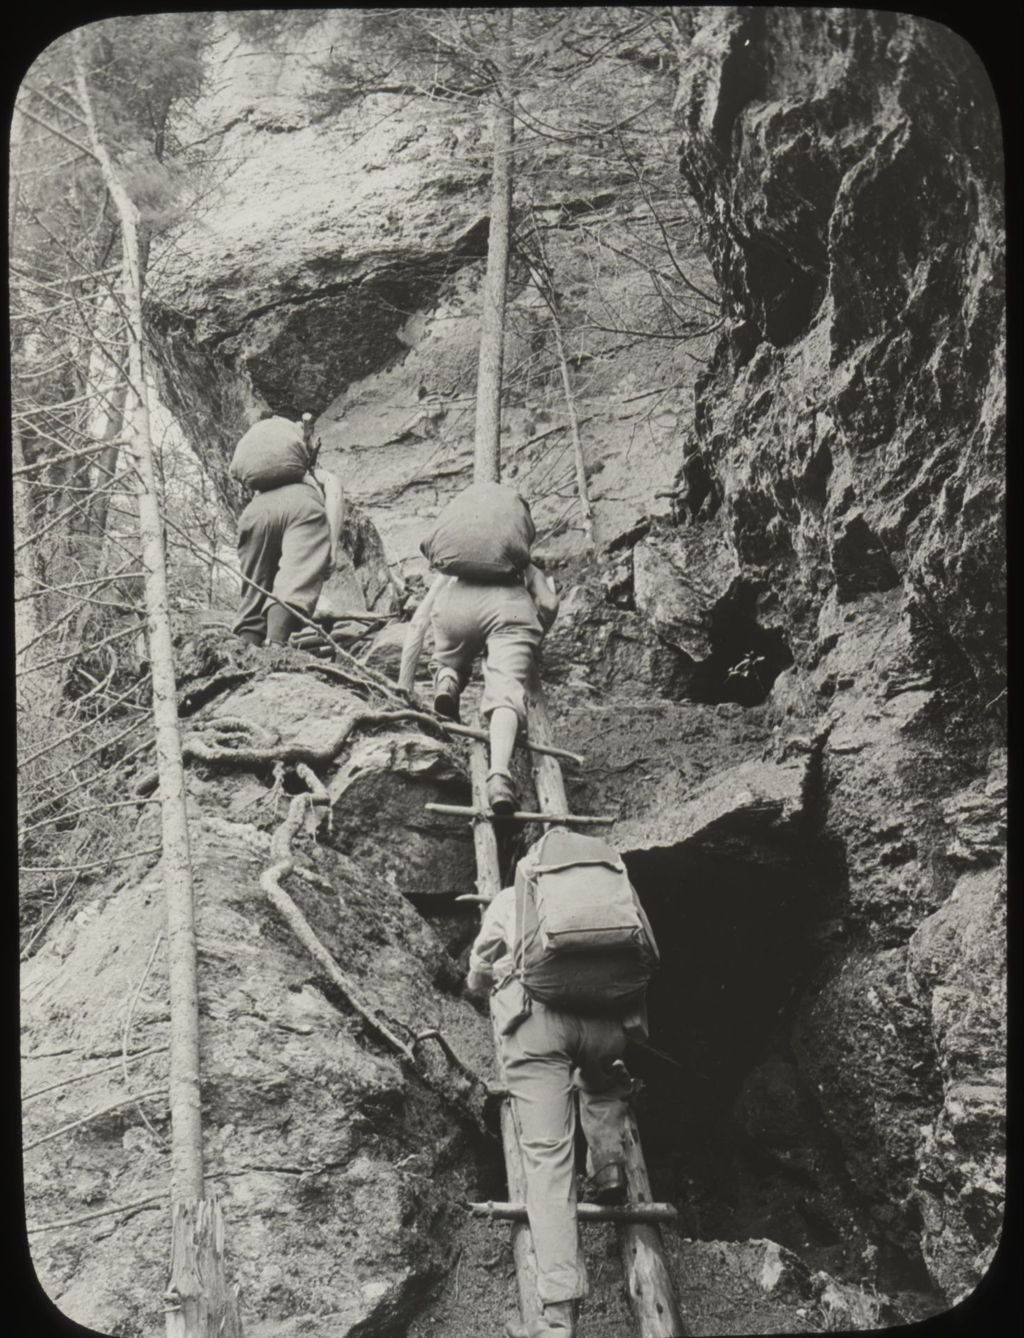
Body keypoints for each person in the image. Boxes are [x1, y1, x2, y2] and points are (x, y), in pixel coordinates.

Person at [466, 873, 634, 1338]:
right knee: (602, 1082)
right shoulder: (604, 895)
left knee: (547, 1159)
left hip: (538, 1027)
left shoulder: (508, 897)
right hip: (606, 1021)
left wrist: (479, 984)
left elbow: (479, 972)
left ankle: (558, 1318)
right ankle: (607, 1164)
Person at [397, 481, 559, 815]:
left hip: (454, 609)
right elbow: (550, 603)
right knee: (504, 694)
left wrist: (404, 686)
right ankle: (499, 777)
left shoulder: (451, 571)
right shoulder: (524, 568)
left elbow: (418, 623)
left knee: (450, 653)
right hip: (507, 611)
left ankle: (448, 679)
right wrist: (537, 633)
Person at [229, 411, 344, 647]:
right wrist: (331, 547)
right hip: (302, 507)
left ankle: (245, 653)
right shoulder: (316, 475)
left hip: (254, 514)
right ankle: (275, 648)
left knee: (254, 589)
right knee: (293, 582)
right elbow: (334, 494)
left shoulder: (262, 485)